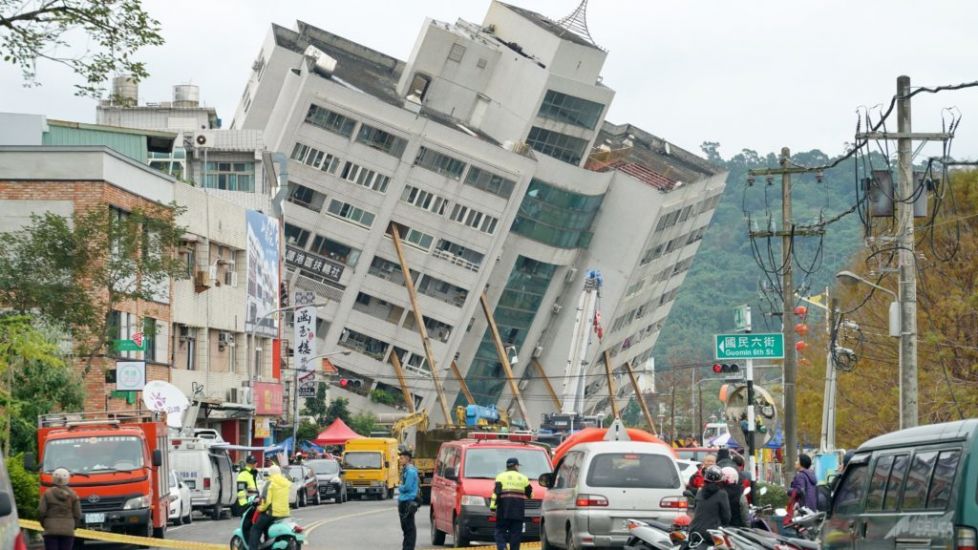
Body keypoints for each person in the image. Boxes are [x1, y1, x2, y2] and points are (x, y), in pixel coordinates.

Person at [489, 457, 532, 550]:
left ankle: (502, 547)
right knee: (516, 535)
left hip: (503, 510)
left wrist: (492, 508)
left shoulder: (500, 476)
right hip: (518, 511)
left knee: (499, 531)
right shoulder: (523, 478)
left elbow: (496, 493)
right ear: (516, 466)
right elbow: (530, 494)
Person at [249, 464, 290, 550]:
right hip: (284, 513)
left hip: (272, 512)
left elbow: (266, 501)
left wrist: (259, 508)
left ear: (270, 473)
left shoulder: (270, 483)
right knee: (266, 527)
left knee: (255, 528)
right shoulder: (285, 482)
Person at [38, 468, 81, 550]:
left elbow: (41, 511)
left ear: (53, 478)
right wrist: (74, 526)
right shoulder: (73, 495)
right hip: (68, 530)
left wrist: (44, 524)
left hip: (50, 530)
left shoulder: (47, 493)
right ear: (68, 479)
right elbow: (77, 514)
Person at [688, 466, 730, 544]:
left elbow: (696, 510)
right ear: (720, 480)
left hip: (693, 532)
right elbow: (726, 518)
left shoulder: (699, 492)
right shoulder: (722, 494)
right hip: (711, 535)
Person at [786, 453, 818, 526]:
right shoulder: (811, 475)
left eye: (797, 460)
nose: (795, 462)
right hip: (811, 508)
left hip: (802, 508)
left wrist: (788, 491)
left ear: (801, 463)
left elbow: (799, 490)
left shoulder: (800, 476)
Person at [397, 448, 420, 550]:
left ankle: (408, 548)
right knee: (406, 528)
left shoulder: (410, 471)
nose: (400, 460)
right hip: (404, 501)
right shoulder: (405, 470)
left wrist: (399, 486)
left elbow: (407, 487)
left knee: (409, 528)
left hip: (408, 501)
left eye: (401, 458)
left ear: (407, 459)